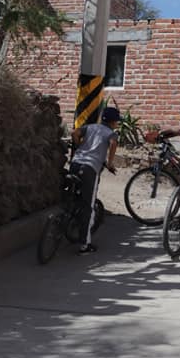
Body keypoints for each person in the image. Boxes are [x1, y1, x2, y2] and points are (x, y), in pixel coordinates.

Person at [70, 106, 119, 254]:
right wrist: (109, 163)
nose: (117, 124)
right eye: (116, 121)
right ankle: (85, 245)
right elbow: (113, 143)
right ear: (112, 122)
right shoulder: (111, 133)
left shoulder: (90, 127)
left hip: (75, 163)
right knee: (88, 206)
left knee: (73, 195)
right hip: (90, 169)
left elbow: (75, 133)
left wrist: (79, 146)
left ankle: (65, 220)